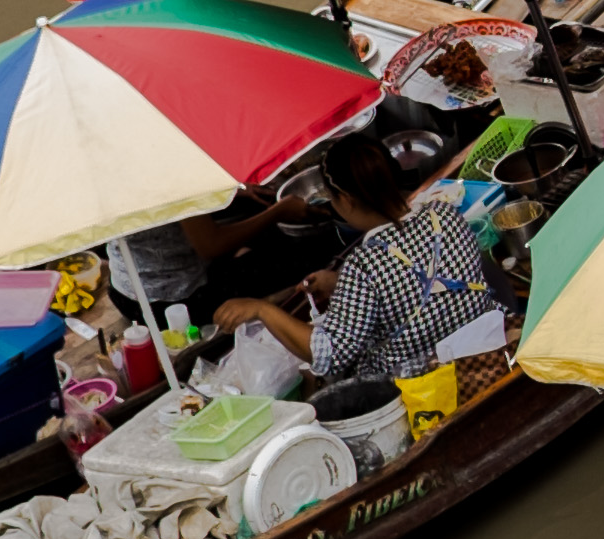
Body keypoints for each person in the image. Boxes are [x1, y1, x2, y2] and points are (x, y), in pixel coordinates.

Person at [208, 128, 505, 387]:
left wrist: (262, 310)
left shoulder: (364, 264)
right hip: (489, 344)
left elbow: (330, 356)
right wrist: (341, 284)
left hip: (428, 381)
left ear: (346, 200)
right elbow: (419, 280)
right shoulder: (444, 215)